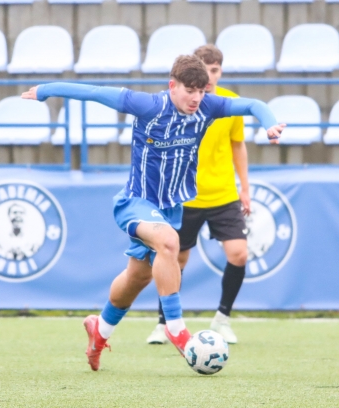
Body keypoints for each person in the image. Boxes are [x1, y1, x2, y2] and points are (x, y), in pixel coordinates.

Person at [21, 55, 284, 371]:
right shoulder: (148, 105)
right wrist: (46, 90)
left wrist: (269, 123)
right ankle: (175, 328)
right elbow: (94, 92)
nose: (196, 98)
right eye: (190, 90)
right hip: (135, 202)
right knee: (170, 242)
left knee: (137, 277)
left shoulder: (208, 107)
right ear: (173, 86)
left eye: (201, 91)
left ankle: (99, 330)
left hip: (170, 208)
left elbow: (253, 105)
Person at [147, 45, 250, 346]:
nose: (210, 76)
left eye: (215, 70)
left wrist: (245, 187)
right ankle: (164, 324)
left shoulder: (230, 103)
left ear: (220, 71)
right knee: (174, 259)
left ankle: (222, 319)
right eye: (205, 70)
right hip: (186, 196)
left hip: (223, 194)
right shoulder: (180, 104)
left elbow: (238, 145)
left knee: (239, 253)